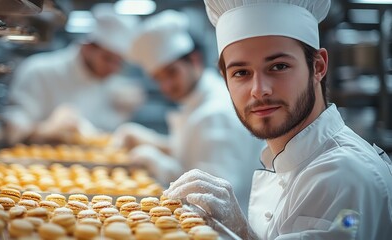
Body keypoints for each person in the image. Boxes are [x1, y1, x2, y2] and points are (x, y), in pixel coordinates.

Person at [164, 0, 392, 239]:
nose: (259, 90)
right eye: (241, 73)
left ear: (318, 66)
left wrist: (241, 232)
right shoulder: (286, 158)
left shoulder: (343, 176)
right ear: (225, 79)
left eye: (278, 66)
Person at [114, 10, 265, 213]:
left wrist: (157, 162)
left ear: (194, 60)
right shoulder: (198, 102)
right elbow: (194, 155)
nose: (166, 85)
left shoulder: (215, 113)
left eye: (171, 72)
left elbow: (212, 196)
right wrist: (155, 142)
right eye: (158, 78)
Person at [4, 3, 145, 144]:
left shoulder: (110, 84)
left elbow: (106, 134)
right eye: (108, 59)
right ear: (88, 48)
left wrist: (124, 112)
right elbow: (13, 130)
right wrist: (45, 129)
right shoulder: (39, 71)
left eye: (119, 62)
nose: (113, 69)